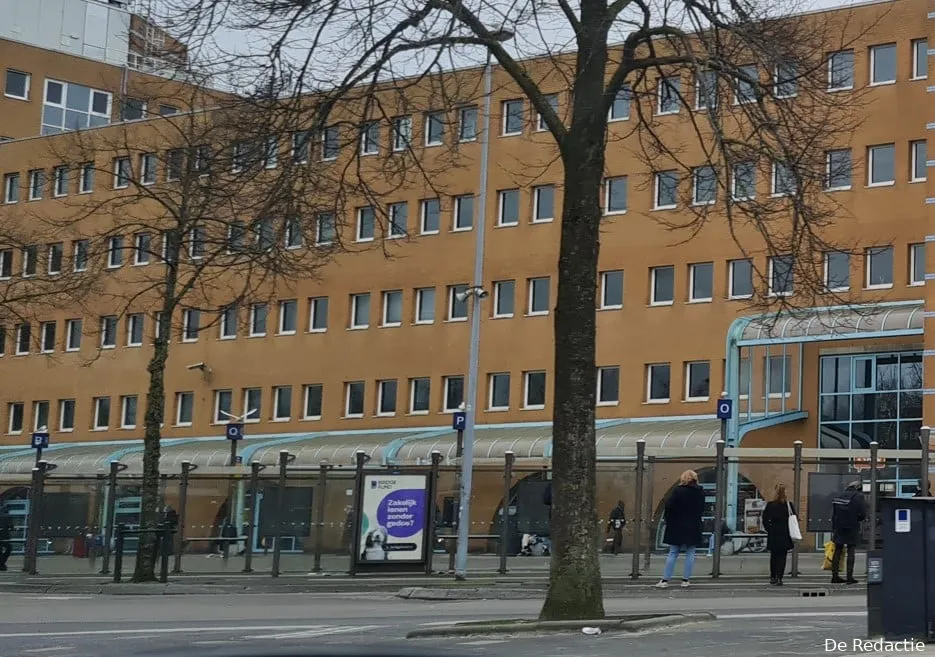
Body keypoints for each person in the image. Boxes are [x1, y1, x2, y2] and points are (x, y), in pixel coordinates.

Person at [656, 470, 705, 589]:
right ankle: (685, 580)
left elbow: (669, 507)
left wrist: (670, 520)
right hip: (693, 525)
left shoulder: (678, 491)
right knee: (690, 553)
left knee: (673, 552)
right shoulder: (700, 492)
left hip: (677, 525)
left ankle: (665, 580)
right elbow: (701, 508)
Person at [831, 480, 867, 584]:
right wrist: (857, 519)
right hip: (852, 526)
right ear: (858, 487)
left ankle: (835, 576)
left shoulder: (839, 496)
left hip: (839, 527)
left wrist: (834, 526)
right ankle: (849, 577)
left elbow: (834, 513)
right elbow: (863, 513)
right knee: (851, 551)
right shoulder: (858, 497)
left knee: (837, 551)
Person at [762, 484, 796, 586]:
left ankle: (773, 576)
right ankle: (779, 577)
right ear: (784, 492)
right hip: (785, 533)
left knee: (774, 557)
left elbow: (764, 520)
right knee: (782, 557)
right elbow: (794, 518)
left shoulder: (770, 505)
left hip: (773, 533)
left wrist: (769, 529)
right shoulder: (788, 505)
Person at [0, 503, 12, 571]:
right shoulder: (7, 516)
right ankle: (1, 563)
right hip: (5, 537)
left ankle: (1, 564)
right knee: (9, 548)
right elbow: (11, 526)